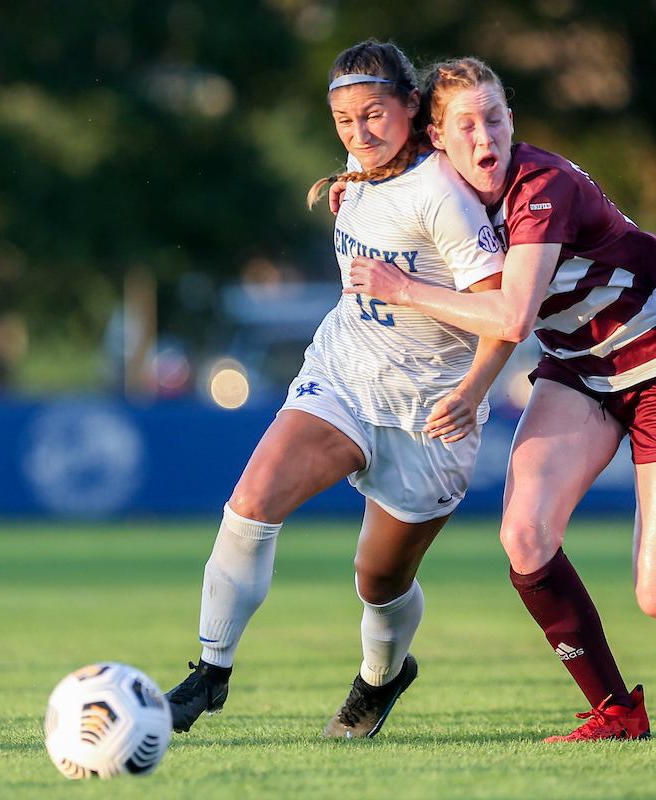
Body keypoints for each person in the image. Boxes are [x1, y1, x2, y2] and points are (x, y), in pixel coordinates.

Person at [343, 57, 656, 742]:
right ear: (438, 138)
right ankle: (618, 712)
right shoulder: (433, 180)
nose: (486, 137)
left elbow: (510, 317)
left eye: (497, 118)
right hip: (579, 369)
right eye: (467, 125)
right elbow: (374, 159)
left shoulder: (541, 186)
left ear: (513, 121)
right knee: (524, 536)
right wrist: (348, 188)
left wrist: (404, 289)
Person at [164, 42, 513, 740]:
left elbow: (503, 312)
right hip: (345, 375)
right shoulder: (363, 166)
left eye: (374, 115)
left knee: (378, 583)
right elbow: (369, 183)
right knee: (252, 500)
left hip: (429, 413)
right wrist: (346, 179)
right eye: (343, 120)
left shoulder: (445, 194)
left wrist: (475, 392)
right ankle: (210, 671)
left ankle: (381, 678)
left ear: (413, 108)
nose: (359, 133)